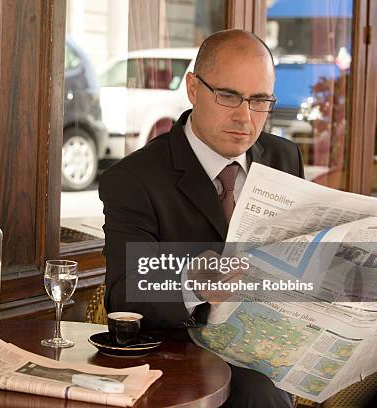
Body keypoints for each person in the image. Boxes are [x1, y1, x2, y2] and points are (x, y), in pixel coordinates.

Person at [99, 29, 304, 408]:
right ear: (193, 88)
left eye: (259, 100)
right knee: (259, 393)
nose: (245, 117)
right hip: (185, 349)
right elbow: (122, 292)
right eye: (228, 96)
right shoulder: (133, 179)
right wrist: (190, 283)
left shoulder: (284, 157)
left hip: (270, 338)